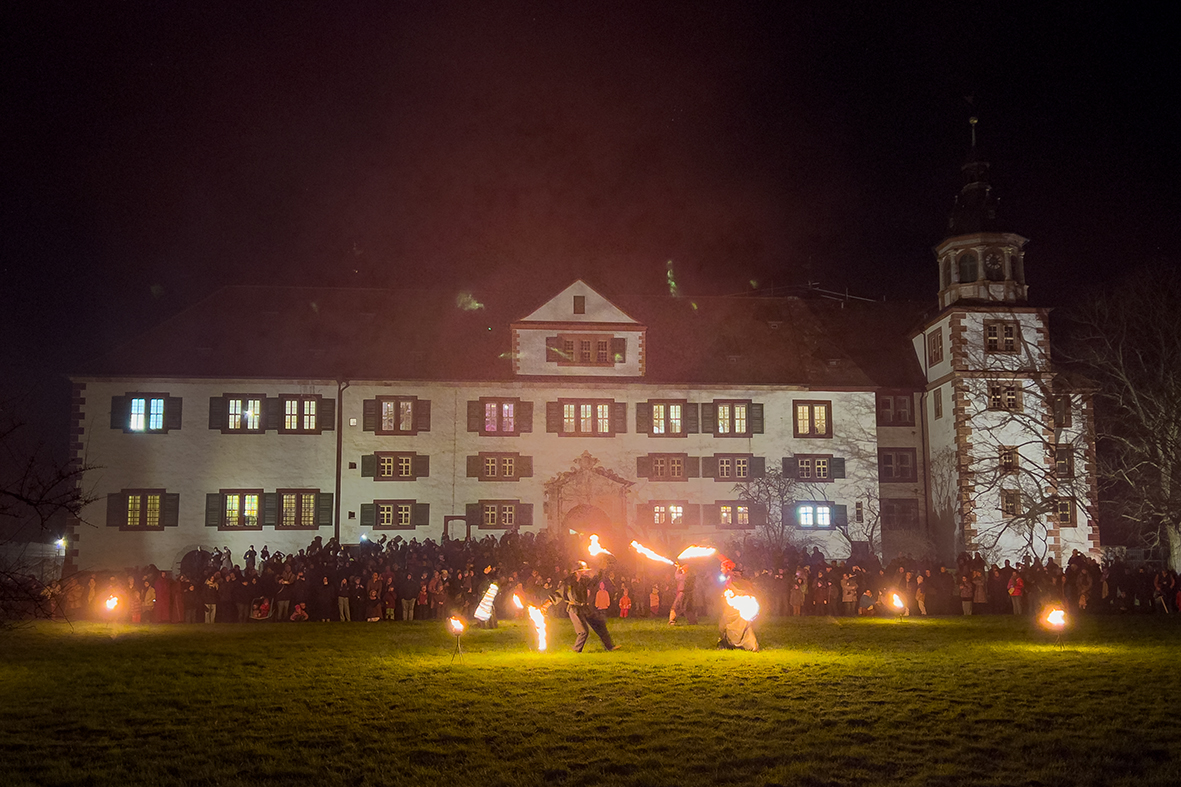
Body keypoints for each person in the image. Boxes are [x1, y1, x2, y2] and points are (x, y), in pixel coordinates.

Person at [547, 560, 618, 653]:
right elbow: (558, 594)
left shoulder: (584, 580)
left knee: (599, 624)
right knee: (583, 632)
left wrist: (602, 569)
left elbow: (594, 582)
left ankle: (609, 647)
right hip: (574, 609)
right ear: (577, 571)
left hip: (585, 608)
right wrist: (546, 605)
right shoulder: (568, 582)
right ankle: (576, 650)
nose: (585, 572)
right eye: (583, 570)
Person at [717, 560, 759, 651]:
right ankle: (727, 643)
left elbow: (743, 590)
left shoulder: (736, 580)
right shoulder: (727, 578)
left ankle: (749, 645)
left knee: (740, 626)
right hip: (730, 606)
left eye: (722, 567)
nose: (721, 569)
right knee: (724, 625)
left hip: (739, 607)